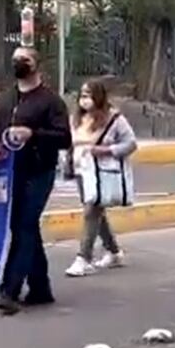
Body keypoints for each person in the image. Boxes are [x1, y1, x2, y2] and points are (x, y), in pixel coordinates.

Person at [0, 46, 72, 316]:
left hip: (40, 171)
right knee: (23, 227)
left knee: (25, 225)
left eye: (24, 59)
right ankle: (40, 287)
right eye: (14, 59)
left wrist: (33, 134)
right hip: (12, 171)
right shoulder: (5, 100)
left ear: (37, 65)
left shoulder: (51, 101)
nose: (18, 63)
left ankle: (9, 290)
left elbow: (64, 138)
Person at [65, 80, 138, 278]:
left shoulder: (114, 119)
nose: (84, 100)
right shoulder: (77, 118)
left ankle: (83, 258)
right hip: (82, 171)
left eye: (88, 95)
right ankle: (114, 251)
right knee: (97, 212)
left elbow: (131, 143)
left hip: (101, 172)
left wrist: (107, 150)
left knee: (92, 211)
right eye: (82, 95)